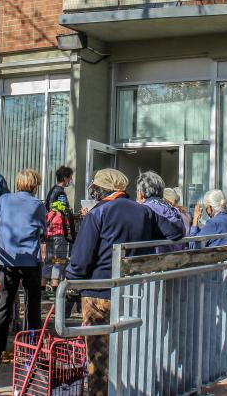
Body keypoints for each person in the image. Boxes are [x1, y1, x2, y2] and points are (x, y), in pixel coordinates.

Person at [67, 169, 184, 396]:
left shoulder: (97, 213)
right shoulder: (144, 211)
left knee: (98, 358)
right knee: (130, 353)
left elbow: (79, 263)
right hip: (133, 293)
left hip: (98, 293)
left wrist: (70, 279)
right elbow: (176, 232)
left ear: (101, 190)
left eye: (95, 188)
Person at [0, 168, 46, 360]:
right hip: (30, 259)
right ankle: (32, 346)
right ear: (35, 184)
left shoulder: (3, 200)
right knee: (32, 304)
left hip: (6, 258)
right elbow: (42, 230)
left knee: (4, 302)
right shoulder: (38, 205)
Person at [136, 171, 191, 252]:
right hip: (176, 258)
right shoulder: (174, 209)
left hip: (154, 259)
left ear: (140, 193)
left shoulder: (145, 209)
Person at [43, 166, 75, 295]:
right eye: (70, 177)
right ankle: (56, 289)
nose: (70, 180)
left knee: (49, 258)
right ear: (65, 178)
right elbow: (63, 210)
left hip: (49, 229)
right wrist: (72, 215)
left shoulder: (52, 191)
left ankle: (43, 286)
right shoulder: (60, 193)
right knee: (59, 259)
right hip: (59, 230)